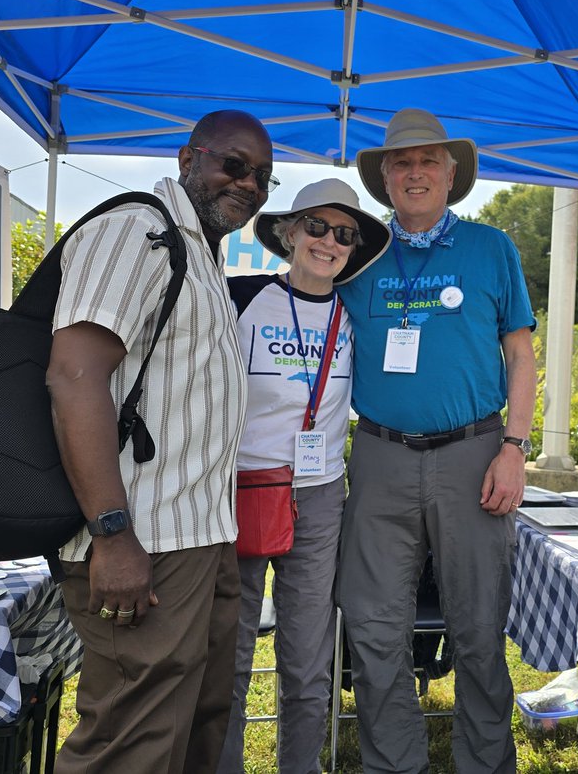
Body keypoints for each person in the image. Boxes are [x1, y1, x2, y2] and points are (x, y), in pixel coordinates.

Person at [46, 109, 275, 774]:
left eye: (262, 176)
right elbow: (73, 376)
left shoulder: (197, 250)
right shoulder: (137, 230)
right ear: (188, 158)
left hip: (199, 538)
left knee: (189, 731)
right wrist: (113, 535)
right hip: (142, 542)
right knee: (132, 743)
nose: (249, 184)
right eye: (234, 164)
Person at [336, 108, 537, 773]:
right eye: (401, 162)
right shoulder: (358, 255)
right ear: (385, 179)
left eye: (428, 161)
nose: (414, 172)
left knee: (479, 628)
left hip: (474, 455)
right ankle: (396, 764)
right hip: (380, 456)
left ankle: (485, 764)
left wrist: (515, 447)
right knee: (371, 626)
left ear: (451, 174)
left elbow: (521, 355)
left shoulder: (491, 248)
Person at [217, 179, 390, 774]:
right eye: (316, 226)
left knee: (307, 654)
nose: (329, 242)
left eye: (345, 235)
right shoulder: (239, 299)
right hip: (240, 489)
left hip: (318, 497)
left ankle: (301, 766)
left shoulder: (358, 315)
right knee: (230, 653)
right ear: (289, 233)